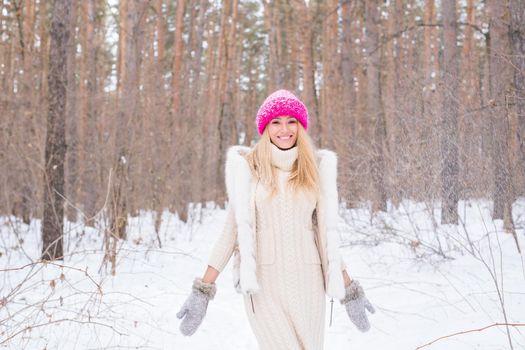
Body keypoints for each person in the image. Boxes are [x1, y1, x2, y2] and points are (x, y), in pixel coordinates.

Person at [176, 89, 375, 349]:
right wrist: (202, 290)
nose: (284, 129)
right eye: (276, 122)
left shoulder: (313, 171)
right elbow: (230, 233)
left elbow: (326, 237)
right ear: (265, 128)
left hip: (308, 285)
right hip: (263, 287)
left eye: (291, 121)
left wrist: (349, 289)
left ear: (301, 126)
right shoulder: (249, 170)